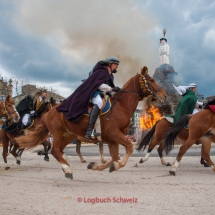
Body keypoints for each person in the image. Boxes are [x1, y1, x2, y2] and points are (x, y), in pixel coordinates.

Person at [57, 56, 121, 138]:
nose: (117, 66)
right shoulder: (102, 72)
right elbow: (98, 85)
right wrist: (111, 88)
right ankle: (89, 131)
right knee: (99, 102)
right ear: (110, 64)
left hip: (102, 93)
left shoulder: (111, 75)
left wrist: (117, 92)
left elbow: (108, 88)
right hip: (92, 92)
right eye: (116, 64)